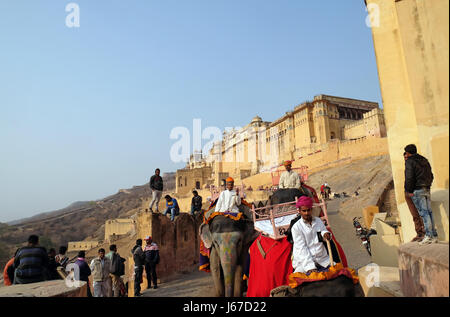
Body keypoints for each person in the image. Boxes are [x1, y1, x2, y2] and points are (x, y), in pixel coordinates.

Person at [404, 144, 438, 245]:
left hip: (417, 190)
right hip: (426, 188)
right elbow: (431, 175)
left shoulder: (410, 161)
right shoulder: (424, 159)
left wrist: (409, 190)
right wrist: (428, 185)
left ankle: (428, 236)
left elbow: (409, 177)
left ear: (408, 153)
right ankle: (434, 235)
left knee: (424, 213)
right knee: (429, 212)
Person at [291, 196, 332, 274]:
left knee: (339, 271)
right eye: (304, 211)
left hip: (322, 259)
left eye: (308, 210)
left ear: (311, 209)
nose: (306, 213)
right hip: (304, 263)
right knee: (297, 281)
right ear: (299, 211)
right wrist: (310, 267)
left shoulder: (318, 221)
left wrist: (325, 234)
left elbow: (323, 231)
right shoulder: (296, 228)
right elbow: (301, 248)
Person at [404, 151, 425, 242]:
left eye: (407, 157)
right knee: (414, 214)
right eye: (405, 158)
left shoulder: (416, 166)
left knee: (421, 212)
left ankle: (424, 232)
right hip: (408, 193)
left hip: (414, 192)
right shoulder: (407, 167)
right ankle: (419, 232)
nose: (406, 159)